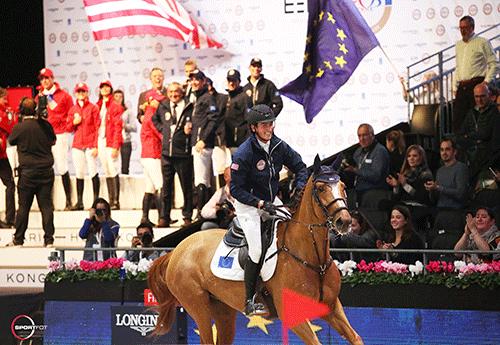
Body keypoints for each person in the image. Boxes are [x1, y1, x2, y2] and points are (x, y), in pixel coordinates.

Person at [230, 104, 308, 316]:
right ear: (254, 127)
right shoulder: (243, 153)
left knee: (295, 227)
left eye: (271, 124)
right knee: (256, 249)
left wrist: (299, 191)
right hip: (249, 206)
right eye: (264, 125)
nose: (269, 128)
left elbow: (301, 167)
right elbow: (235, 189)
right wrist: (260, 204)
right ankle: (249, 301)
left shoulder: (278, 146)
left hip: (271, 200)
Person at [7, 97, 56, 247]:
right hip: (46, 172)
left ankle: (19, 239)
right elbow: (53, 140)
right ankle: (49, 240)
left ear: (21, 111)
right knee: (46, 207)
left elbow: (11, 141)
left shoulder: (19, 128)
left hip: (27, 174)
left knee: (23, 207)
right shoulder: (45, 125)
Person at [152, 82, 194, 228]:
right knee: (166, 189)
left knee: (186, 187)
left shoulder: (189, 105)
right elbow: (154, 119)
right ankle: (164, 218)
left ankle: (187, 217)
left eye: (176, 92)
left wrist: (191, 131)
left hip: (183, 153)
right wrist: (163, 130)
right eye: (170, 92)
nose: (173, 95)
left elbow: (196, 122)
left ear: (181, 92)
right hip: (166, 154)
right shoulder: (163, 105)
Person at [453, 16, 499, 133]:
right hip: (462, 87)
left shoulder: (482, 42)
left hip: (476, 84)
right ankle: (460, 149)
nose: (462, 31)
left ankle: (480, 148)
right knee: (458, 123)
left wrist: (486, 82)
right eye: (460, 28)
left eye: (465, 27)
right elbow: (458, 67)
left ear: (472, 27)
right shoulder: (458, 45)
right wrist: (454, 86)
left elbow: (494, 63)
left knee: (479, 120)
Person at [35, 68, 73, 210]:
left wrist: (64, 125)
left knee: (62, 166)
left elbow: (71, 113)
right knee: (46, 167)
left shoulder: (64, 95)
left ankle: (68, 201)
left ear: (52, 78)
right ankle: (47, 202)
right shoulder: (39, 96)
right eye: (42, 79)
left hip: (59, 134)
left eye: (46, 78)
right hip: (44, 135)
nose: (44, 81)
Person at [188, 69, 221, 216]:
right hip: (196, 143)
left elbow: (213, 120)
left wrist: (203, 139)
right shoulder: (197, 98)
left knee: (202, 180)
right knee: (203, 180)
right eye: (192, 80)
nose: (194, 83)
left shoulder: (208, 97)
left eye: (197, 80)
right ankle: (202, 212)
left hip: (202, 144)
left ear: (203, 81)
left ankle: (200, 213)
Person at [67, 83, 100, 210]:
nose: (81, 93)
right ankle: (79, 201)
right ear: (75, 93)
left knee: (93, 171)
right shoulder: (73, 109)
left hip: (90, 143)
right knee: (79, 172)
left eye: (83, 91)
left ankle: (96, 201)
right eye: (78, 91)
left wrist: (95, 145)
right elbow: (68, 128)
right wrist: (74, 122)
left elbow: (97, 127)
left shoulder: (93, 108)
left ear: (87, 93)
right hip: (77, 144)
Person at [342, 123, 390, 208]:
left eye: (364, 135)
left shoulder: (379, 151)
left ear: (372, 135)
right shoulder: (358, 151)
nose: (362, 139)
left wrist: (355, 170)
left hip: (375, 193)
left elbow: (376, 176)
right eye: (359, 136)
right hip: (358, 191)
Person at [96, 80, 123, 210]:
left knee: (113, 168)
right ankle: (110, 200)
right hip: (101, 139)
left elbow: (118, 126)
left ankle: (116, 201)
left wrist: (116, 146)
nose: (105, 89)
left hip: (111, 139)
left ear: (111, 89)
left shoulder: (115, 105)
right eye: (102, 87)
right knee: (106, 169)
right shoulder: (98, 104)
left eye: (107, 87)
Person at [457, 83, 500, 165]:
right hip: (472, 150)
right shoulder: (472, 112)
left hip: (488, 153)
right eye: (476, 97)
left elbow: (485, 134)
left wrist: (468, 136)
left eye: (482, 96)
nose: (479, 100)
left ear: (489, 95)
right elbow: (459, 136)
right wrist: (475, 142)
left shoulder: (495, 110)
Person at [139, 89, 164, 226]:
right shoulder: (151, 114)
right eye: (157, 100)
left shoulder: (147, 114)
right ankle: (162, 217)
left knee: (150, 187)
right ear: (150, 100)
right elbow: (158, 132)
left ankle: (145, 218)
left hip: (146, 155)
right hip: (152, 154)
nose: (160, 102)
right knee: (160, 185)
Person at [425, 138, 469, 210]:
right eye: (442, 150)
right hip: (440, 209)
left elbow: (461, 194)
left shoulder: (461, 168)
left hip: (455, 211)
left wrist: (438, 187)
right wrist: (431, 190)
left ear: (454, 152)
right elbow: (434, 199)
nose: (444, 153)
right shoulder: (440, 171)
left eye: (447, 149)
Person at [206, 77, 230, 189]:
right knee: (220, 168)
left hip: (230, 138)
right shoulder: (204, 100)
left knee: (232, 167)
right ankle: (222, 195)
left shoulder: (224, 98)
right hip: (215, 139)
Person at [225, 69, 252, 153]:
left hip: (240, 143)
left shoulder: (244, 97)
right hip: (229, 142)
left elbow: (249, 120)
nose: (231, 83)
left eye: (234, 80)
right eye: (229, 80)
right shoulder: (227, 97)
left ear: (239, 81)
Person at [200, 166, 235, 230]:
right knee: (206, 226)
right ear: (226, 177)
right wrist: (216, 211)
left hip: (233, 222)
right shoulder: (220, 192)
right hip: (220, 223)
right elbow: (204, 212)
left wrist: (234, 214)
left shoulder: (242, 191)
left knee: (235, 224)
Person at [0, 87, 15, 228]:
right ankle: (9, 219)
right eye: (4, 98)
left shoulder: (5, 112)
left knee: (10, 185)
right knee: (10, 185)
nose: (6, 101)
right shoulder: (3, 114)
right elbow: (11, 129)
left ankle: (10, 219)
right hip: (1, 156)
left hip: (2, 155)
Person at [114, 90, 137, 175]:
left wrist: (125, 126)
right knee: (113, 167)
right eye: (116, 96)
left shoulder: (128, 111)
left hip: (125, 141)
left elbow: (134, 127)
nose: (118, 98)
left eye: (120, 96)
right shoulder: (110, 111)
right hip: (113, 141)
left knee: (125, 167)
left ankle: (126, 187)